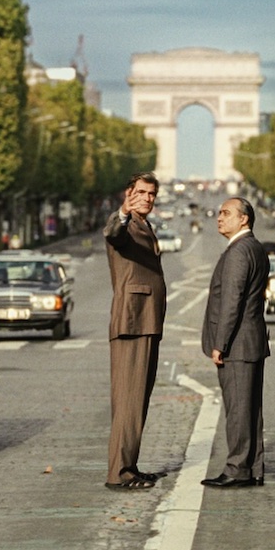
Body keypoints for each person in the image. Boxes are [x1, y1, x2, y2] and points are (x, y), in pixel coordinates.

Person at [103, 171, 168, 491]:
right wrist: (123, 213)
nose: (147, 198)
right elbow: (113, 233)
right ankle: (119, 472)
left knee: (136, 399)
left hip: (145, 320)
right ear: (128, 194)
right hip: (133, 320)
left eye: (152, 194)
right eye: (141, 192)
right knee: (128, 400)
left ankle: (129, 465)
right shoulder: (125, 223)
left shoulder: (145, 225)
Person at [201, 196, 270, 488]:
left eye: (226, 213)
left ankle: (237, 469)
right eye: (219, 213)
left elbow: (232, 301)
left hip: (238, 344)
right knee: (250, 409)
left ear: (244, 219)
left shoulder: (238, 252)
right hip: (251, 341)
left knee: (238, 410)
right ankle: (253, 467)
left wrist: (221, 343)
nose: (219, 217)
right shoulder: (255, 247)